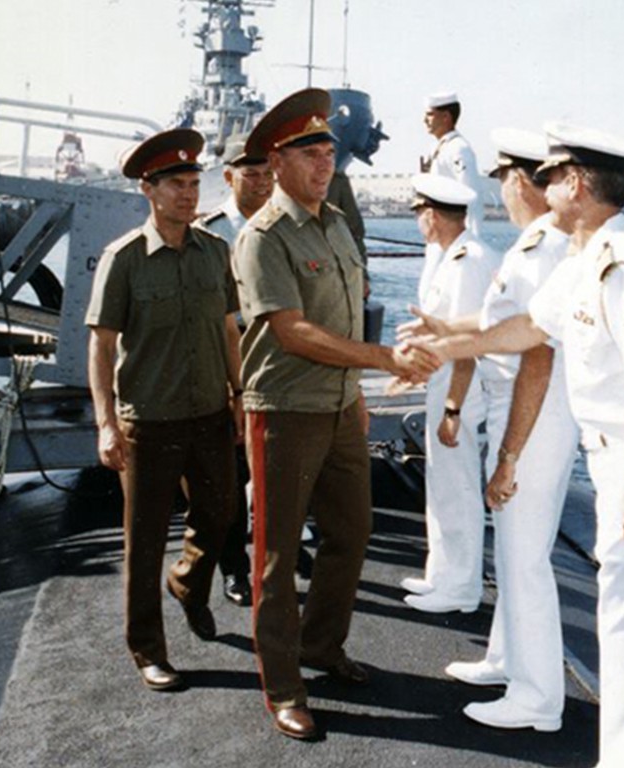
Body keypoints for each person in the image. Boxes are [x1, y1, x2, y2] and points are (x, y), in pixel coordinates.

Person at [414, 122, 624, 768]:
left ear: (575, 183)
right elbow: (523, 329)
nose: (539, 188)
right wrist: (445, 345)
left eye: (549, 177)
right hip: (617, 466)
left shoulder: (622, 264)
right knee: (622, 630)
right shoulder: (585, 259)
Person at [232, 88, 439, 741]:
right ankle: (284, 686)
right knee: (276, 552)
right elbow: (292, 332)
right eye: (310, 153)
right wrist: (382, 358)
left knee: (351, 534)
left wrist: (361, 379)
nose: (325, 163)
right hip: (286, 410)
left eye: (328, 151)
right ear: (278, 161)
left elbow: (346, 314)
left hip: (340, 404)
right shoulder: (264, 237)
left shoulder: (338, 225)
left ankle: (323, 645)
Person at [403, 129, 579, 728]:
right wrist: (443, 330)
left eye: (504, 176)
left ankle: (537, 700)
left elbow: (538, 352)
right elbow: (497, 319)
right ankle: (507, 658)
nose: (498, 188)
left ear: (519, 180)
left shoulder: (546, 249)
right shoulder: (533, 246)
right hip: (519, 405)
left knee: (524, 556)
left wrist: (509, 454)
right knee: (513, 550)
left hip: (532, 413)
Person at [85, 128, 240, 693]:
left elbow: (229, 330)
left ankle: (190, 584)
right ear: (149, 190)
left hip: (210, 415)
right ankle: (147, 649)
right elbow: (101, 345)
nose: (188, 194)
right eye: (176, 184)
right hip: (147, 422)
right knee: (144, 539)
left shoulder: (215, 252)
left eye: (194, 183)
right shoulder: (123, 259)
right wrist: (106, 424)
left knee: (220, 515)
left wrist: (240, 394)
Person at [399, 173, 500, 614]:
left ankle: (461, 588)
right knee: (440, 482)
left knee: (456, 485)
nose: (419, 221)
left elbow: (468, 346)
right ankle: (440, 573)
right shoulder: (447, 256)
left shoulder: (469, 261)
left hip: (463, 386)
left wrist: (454, 409)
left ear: (432, 215)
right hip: (442, 382)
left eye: (420, 212)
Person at [198, 134, 275, 607]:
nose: (263, 183)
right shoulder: (211, 234)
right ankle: (235, 567)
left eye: (269, 174)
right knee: (231, 471)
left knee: (276, 467)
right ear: (229, 176)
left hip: (279, 355)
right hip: (234, 353)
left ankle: (275, 553)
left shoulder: (283, 226)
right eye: (252, 174)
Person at [420, 91, 484, 236]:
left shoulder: (459, 149)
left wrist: (471, 238)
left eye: (430, 114)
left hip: (455, 235)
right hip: (438, 232)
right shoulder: (437, 147)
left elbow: (471, 196)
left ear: (446, 117)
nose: (424, 120)